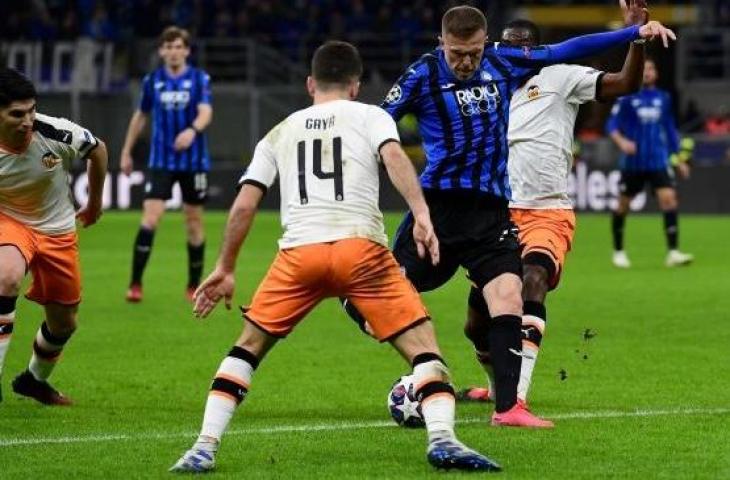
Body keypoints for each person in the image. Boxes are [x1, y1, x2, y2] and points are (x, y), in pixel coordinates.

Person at [169, 41, 500, 473]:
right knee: (424, 351)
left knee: (246, 349)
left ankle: (203, 446)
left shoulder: (280, 130)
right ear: (356, 84)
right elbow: (395, 158)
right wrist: (421, 215)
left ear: (310, 84)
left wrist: (226, 267)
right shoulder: (371, 116)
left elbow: (245, 205)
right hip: (361, 251)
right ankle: (444, 440)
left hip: (298, 256)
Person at [343, 3, 676, 428]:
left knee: (510, 294)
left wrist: (630, 35)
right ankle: (356, 299)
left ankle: (510, 407)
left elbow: (572, 47)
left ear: (489, 45)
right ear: (441, 43)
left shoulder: (508, 63)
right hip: (440, 207)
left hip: (497, 210)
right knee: (412, 302)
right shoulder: (421, 74)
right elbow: (377, 124)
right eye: (457, 53)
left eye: (474, 53)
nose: (466, 62)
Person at [461, 7, 658, 407]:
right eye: (507, 45)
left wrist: (634, 39)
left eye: (521, 46)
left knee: (534, 278)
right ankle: (499, 388)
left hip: (546, 212)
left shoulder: (561, 75)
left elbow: (624, 84)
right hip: (497, 212)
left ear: (536, 49)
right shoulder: (488, 85)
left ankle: (515, 398)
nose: (513, 52)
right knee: (476, 324)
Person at [0, 67, 107, 405]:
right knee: (6, 278)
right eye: (17, 114)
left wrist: (93, 203)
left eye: (31, 110)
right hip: (10, 221)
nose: (27, 120)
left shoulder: (55, 132)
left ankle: (33, 380)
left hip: (58, 229)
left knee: (64, 324)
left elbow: (99, 150)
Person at [120, 26, 213, 302]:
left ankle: (193, 285)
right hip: (161, 160)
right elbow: (140, 117)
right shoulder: (152, 81)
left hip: (194, 162)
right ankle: (135, 284)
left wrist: (192, 130)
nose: (173, 51)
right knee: (150, 218)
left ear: (187, 50)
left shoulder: (199, 79)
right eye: (168, 47)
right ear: (161, 51)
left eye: (178, 47)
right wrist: (126, 151)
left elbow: (206, 111)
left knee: (194, 222)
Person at [607, 58, 693, 268]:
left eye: (651, 68)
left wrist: (680, 158)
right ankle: (618, 251)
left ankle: (673, 252)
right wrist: (622, 141)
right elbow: (611, 124)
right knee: (622, 206)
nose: (647, 72)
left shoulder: (663, 98)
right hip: (633, 163)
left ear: (656, 73)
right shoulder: (626, 96)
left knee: (669, 200)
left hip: (658, 160)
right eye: (643, 69)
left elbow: (670, 129)